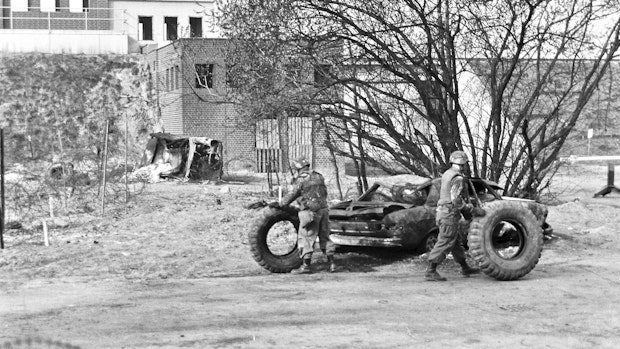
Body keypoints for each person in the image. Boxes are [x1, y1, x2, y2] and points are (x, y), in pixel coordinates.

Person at [271, 156, 336, 274]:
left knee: (306, 237)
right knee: (325, 237)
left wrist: (280, 204)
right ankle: (332, 264)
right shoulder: (319, 176)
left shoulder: (301, 179)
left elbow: (292, 194)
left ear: (298, 168)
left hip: (310, 212)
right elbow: (324, 193)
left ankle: (306, 266)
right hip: (324, 210)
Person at [425, 150, 481, 281]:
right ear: (464, 163)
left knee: (455, 242)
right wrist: (471, 210)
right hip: (449, 214)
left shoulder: (447, 174)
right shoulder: (458, 178)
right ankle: (431, 270)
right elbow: (456, 200)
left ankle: (465, 267)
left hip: (443, 213)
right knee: (445, 241)